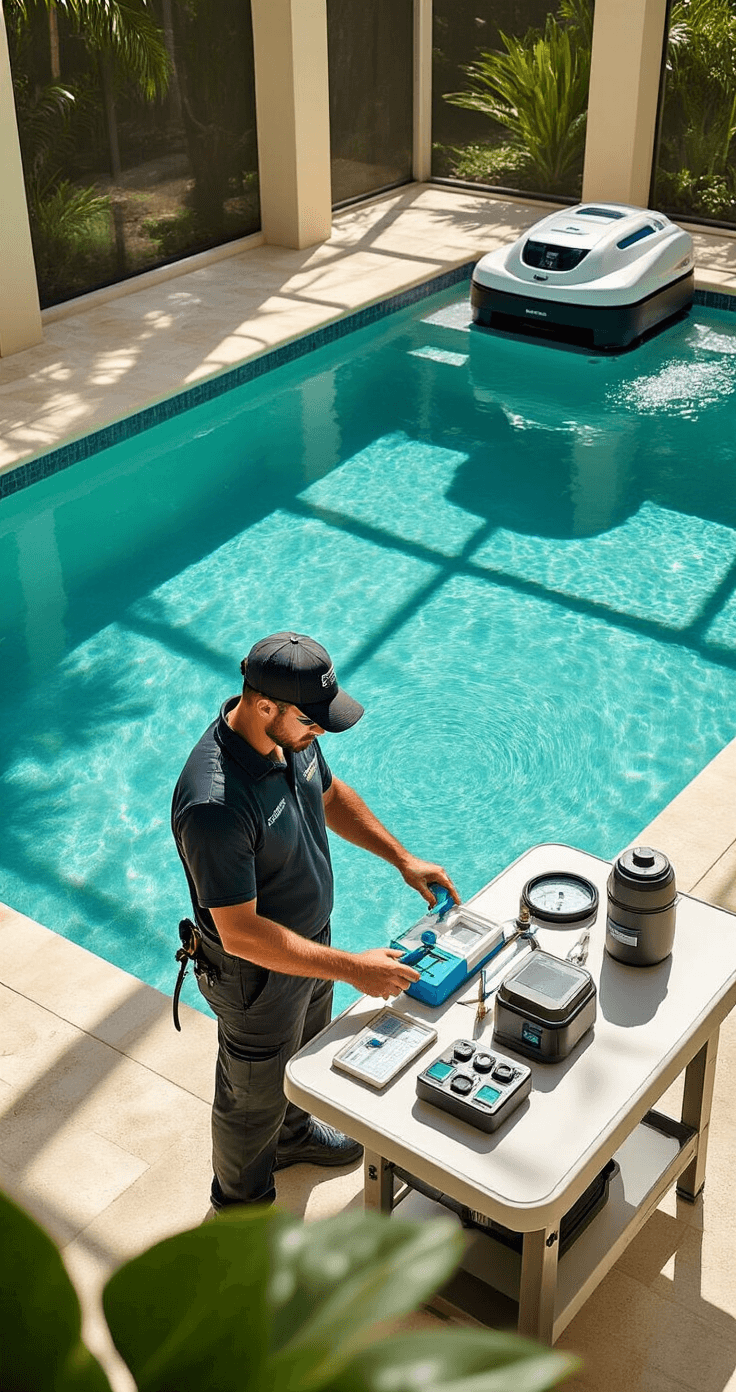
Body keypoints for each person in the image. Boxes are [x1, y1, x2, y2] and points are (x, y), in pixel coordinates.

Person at [171, 630, 458, 1212]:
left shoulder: (291, 737)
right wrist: (352, 969)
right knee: (250, 1099)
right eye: (312, 719)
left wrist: (401, 858)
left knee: (302, 1051)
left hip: (310, 944)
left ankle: (293, 1137)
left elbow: (327, 795)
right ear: (262, 704)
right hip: (255, 972)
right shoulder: (214, 803)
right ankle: (241, 1206)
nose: (320, 731)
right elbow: (243, 933)